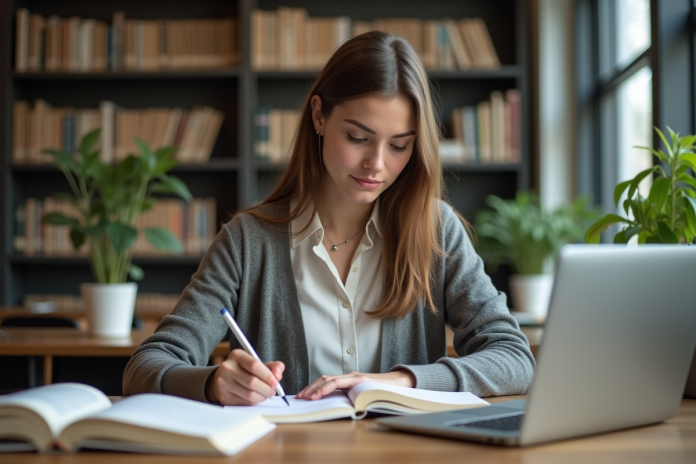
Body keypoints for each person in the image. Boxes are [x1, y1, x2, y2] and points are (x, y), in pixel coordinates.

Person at [123, 31, 535, 406]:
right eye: (358, 138)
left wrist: (399, 381)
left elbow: (515, 359)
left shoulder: (435, 230)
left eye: (399, 146)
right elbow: (145, 366)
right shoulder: (247, 241)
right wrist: (213, 383)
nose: (376, 164)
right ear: (319, 116)